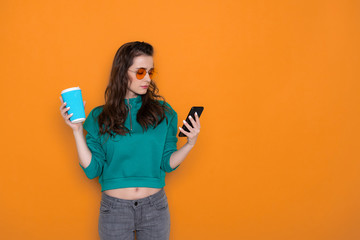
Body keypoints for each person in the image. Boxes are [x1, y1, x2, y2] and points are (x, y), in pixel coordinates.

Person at [59, 41, 201, 240]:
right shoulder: (100, 116)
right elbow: (92, 170)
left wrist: (190, 144)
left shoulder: (164, 114)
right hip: (115, 211)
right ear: (122, 72)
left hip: (155, 209)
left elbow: (167, 164)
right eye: (141, 72)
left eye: (151, 72)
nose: (148, 79)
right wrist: (76, 131)